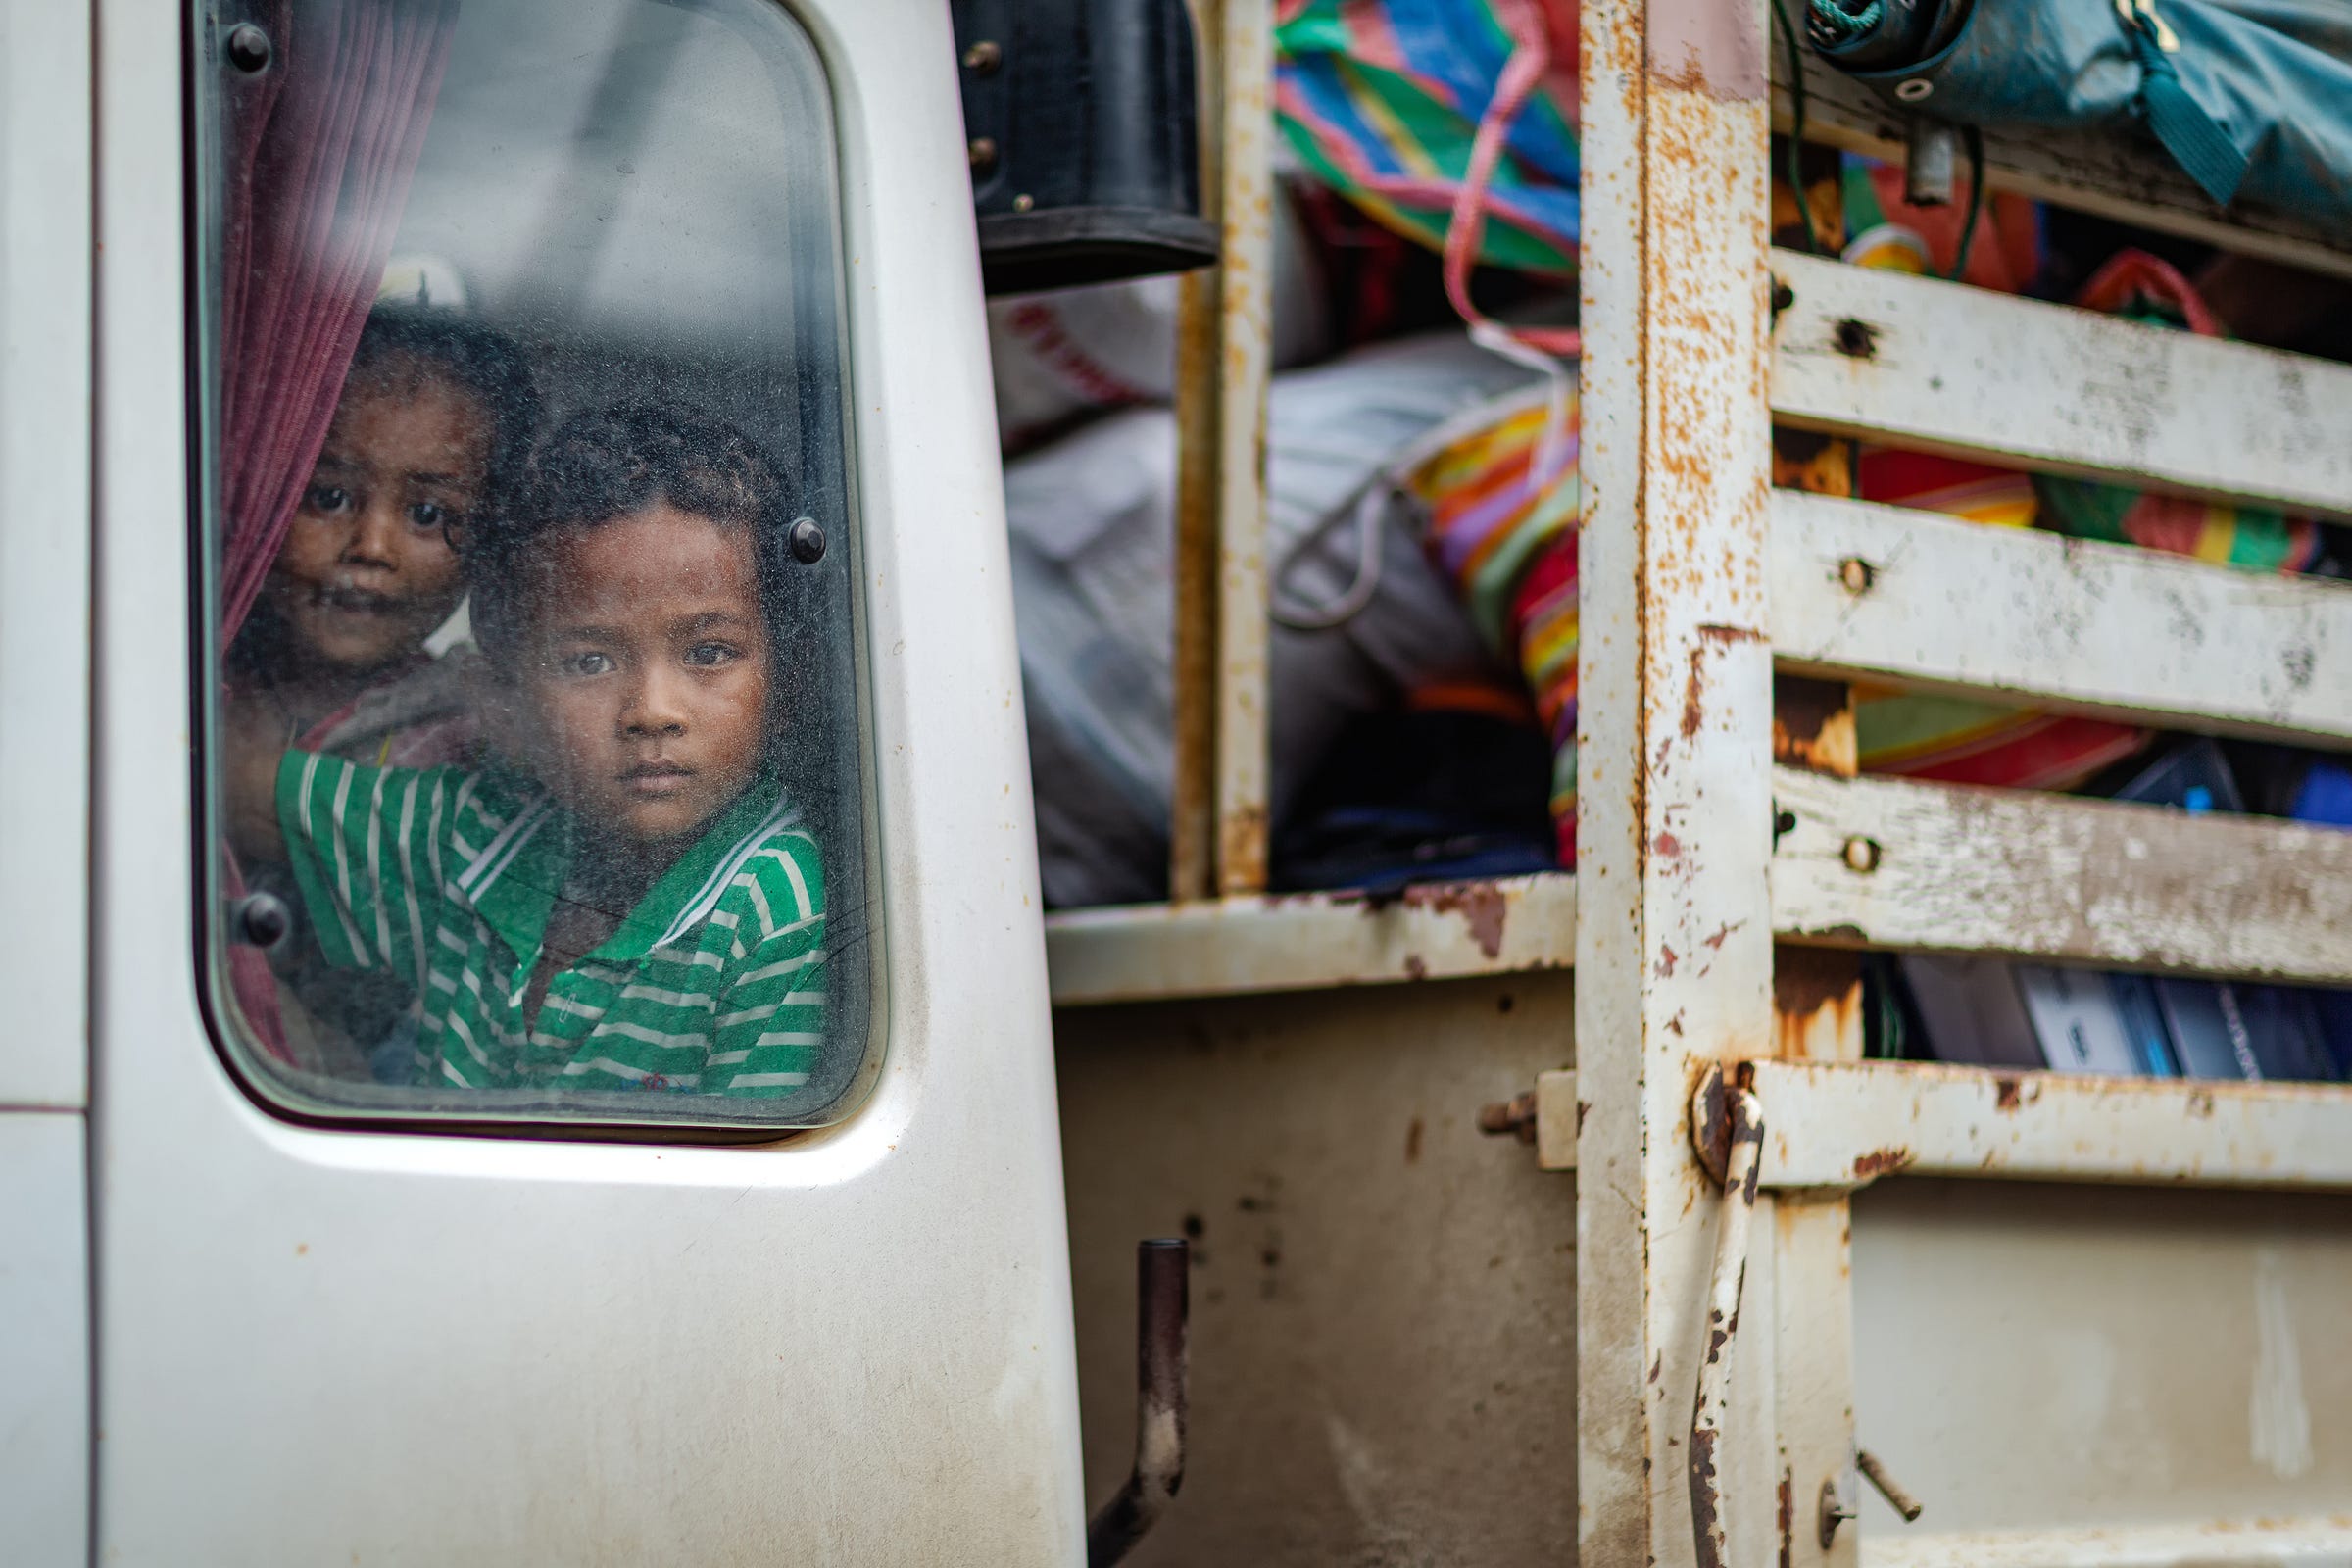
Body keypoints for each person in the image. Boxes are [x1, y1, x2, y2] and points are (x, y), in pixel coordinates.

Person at [225, 405, 827, 1099]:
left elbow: (755, 1202)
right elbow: (237, 791)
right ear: (508, 701)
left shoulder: (775, 915)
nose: (652, 712)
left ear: (785, 673)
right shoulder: (480, 834)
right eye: (589, 662)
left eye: (708, 653)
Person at [228, 308, 540, 1077]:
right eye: (329, 497)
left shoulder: (470, 731)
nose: (371, 547)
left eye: (428, 515)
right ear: (264, 488)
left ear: (489, 545)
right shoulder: (202, 671)